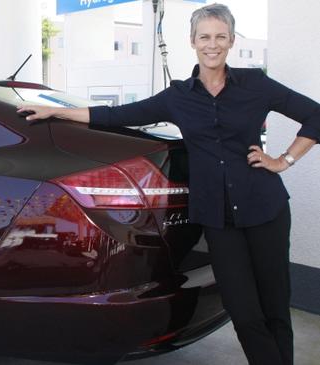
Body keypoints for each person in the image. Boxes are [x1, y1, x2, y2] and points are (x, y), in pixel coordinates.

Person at [17, 3, 319, 365]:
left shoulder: (256, 84)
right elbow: (116, 115)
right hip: (217, 219)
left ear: (232, 41)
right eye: (204, 36)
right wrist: (56, 110)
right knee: (243, 310)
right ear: (192, 41)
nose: (212, 44)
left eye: (220, 36)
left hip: (266, 210)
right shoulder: (178, 96)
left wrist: (282, 161)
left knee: (274, 305)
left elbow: (314, 115)